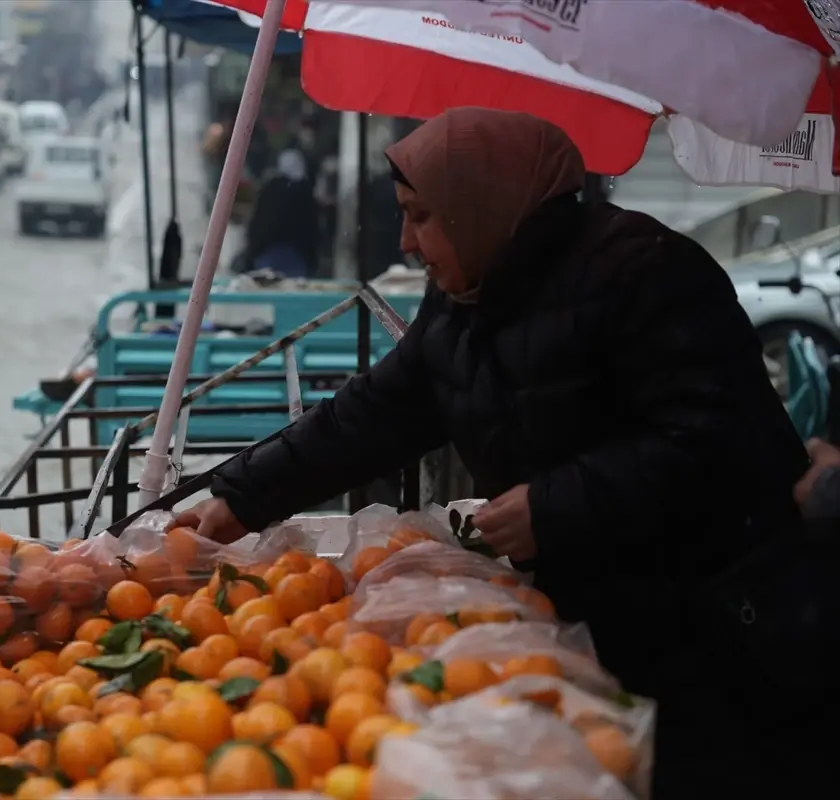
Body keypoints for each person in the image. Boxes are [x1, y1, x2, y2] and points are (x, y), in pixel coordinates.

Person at [172, 108, 832, 796]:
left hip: (726, 628)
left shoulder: (648, 271)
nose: (405, 242)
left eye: (420, 216)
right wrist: (237, 498)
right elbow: (373, 413)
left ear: (480, 203)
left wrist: (554, 504)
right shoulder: (468, 295)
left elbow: (714, 440)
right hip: (601, 619)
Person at [242, 149, 320, 278]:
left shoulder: (269, 191)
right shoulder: (306, 193)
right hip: (296, 254)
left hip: (268, 252)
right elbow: (311, 229)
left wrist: (252, 253)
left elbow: (258, 225)